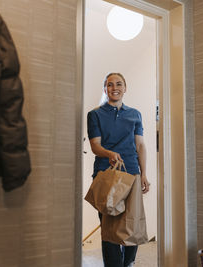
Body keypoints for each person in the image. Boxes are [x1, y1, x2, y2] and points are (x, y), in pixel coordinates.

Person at [87, 72, 150, 267]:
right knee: (109, 227)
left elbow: (140, 145)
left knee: (132, 221)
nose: (115, 88)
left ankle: (128, 262)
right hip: (106, 174)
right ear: (105, 89)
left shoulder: (135, 114)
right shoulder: (95, 114)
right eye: (110, 84)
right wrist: (109, 153)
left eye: (119, 84)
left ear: (125, 88)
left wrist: (144, 174)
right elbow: (95, 145)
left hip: (132, 173)